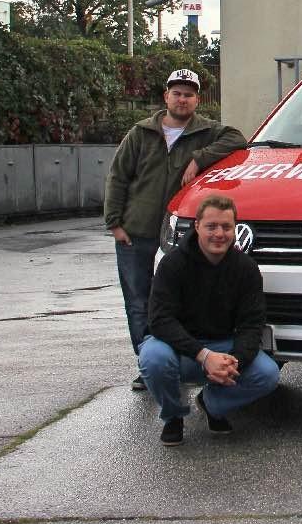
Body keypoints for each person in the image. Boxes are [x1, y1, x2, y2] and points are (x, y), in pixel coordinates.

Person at [104, 67, 244, 391]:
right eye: (177, 93)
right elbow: (118, 177)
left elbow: (238, 140)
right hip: (136, 232)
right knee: (138, 300)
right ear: (166, 96)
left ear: (198, 99)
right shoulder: (140, 133)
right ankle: (148, 364)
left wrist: (200, 157)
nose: (183, 99)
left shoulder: (207, 132)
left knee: (174, 300)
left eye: (189, 94)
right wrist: (114, 223)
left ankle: (176, 361)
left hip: (179, 235)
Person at [138, 194, 280, 444]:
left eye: (226, 227)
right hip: (178, 348)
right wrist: (204, 356)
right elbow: (160, 320)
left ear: (234, 229)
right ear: (197, 227)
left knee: (267, 374)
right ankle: (173, 415)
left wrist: (234, 361)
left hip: (223, 346)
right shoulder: (173, 264)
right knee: (153, 359)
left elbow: (251, 324)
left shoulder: (246, 268)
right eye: (211, 226)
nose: (219, 234)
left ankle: (213, 405)